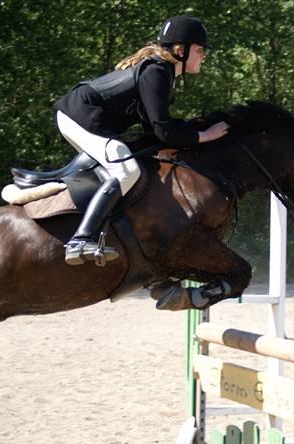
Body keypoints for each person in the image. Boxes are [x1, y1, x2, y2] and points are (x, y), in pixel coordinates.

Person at [54, 15, 230, 266]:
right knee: (125, 169)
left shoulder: (162, 72)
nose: (203, 55)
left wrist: (189, 132)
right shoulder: (157, 71)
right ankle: (81, 239)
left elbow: (155, 132)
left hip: (87, 116)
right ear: (181, 50)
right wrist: (204, 136)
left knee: (133, 163)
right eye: (200, 49)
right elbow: (163, 132)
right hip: (79, 114)